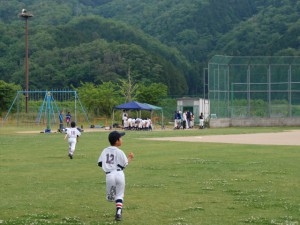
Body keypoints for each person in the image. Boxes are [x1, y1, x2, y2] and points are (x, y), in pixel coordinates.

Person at [97, 131, 134, 221]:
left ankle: (117, 210)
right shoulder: (120, 151)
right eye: (120, 138)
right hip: (119, 174)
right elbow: (125, 164)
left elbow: (100, 163)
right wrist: (130, 158)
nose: (121, 139)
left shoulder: (105, 150)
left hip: (109, 176)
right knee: (120, 195)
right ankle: (118, 212)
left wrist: (108, 166)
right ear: (117, 141)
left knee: (111, 197)